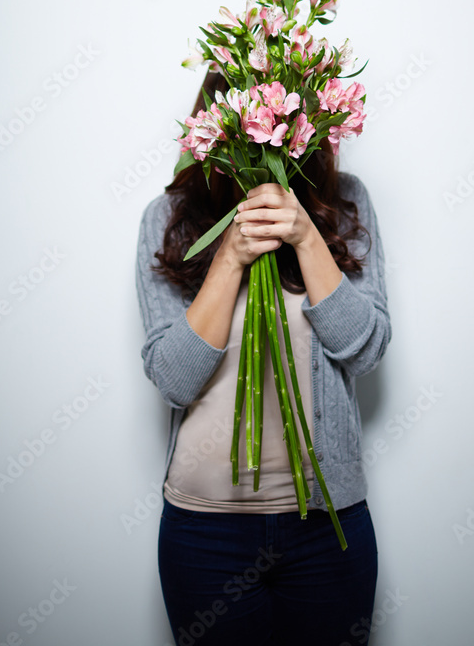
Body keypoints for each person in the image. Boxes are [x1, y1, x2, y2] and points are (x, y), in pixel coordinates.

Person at [136, 70, 391, 645]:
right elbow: (173, 379)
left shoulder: (346, 202)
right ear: (216, 122)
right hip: (204, 533)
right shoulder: (169, 217)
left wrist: (305, 237)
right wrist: (228, 257)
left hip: (328, 527)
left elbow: (367, 349)